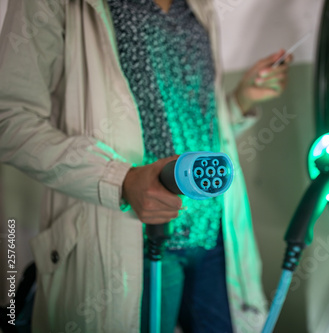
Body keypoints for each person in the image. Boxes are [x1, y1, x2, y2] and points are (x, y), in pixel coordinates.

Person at [0, 0, 291, 332]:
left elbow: (191, 118)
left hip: (213, 236)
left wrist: (240, 100)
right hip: (129, 240)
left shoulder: (199, 8)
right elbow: (9, 119)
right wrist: (120, 180)